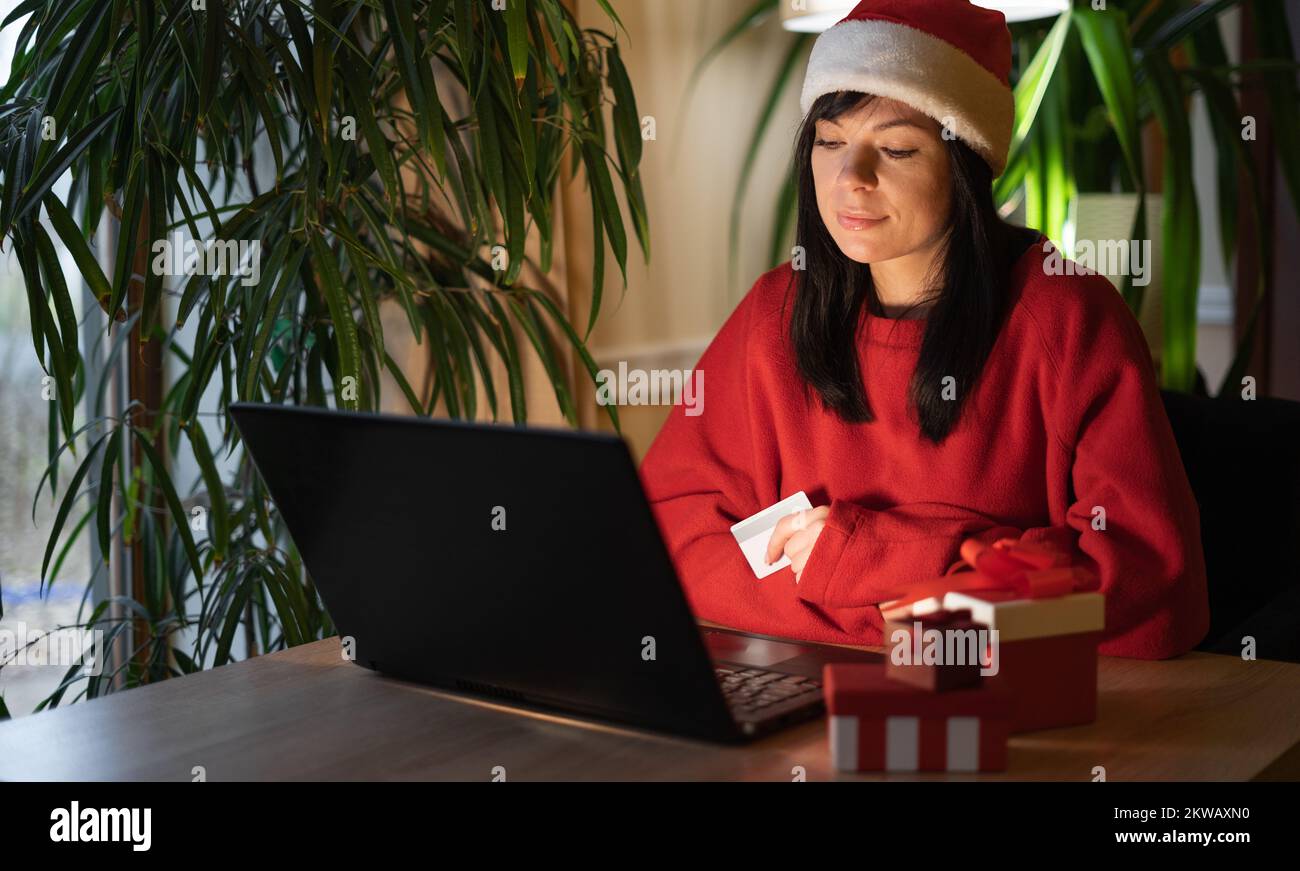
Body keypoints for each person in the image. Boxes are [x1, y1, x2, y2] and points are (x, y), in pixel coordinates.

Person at [638, 0, 1209, 659]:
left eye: (897, 147)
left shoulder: (1068, 317)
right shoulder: (773, 313)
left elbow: (1149, 590)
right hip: (804, 718)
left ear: (964, 162)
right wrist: (929, 603)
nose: (851, 178)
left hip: (1007, 720)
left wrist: (865, 558)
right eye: (829, 141)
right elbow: (666, 544)